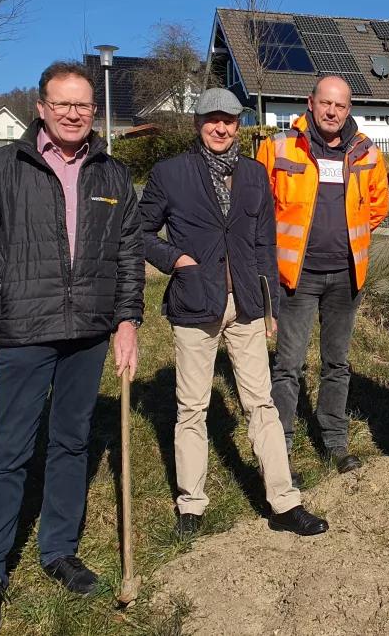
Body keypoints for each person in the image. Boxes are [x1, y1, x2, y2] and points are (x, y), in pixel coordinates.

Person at [0, 61, 144, 636]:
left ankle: (59, 550)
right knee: (11, 448)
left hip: (87, 330)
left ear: (94, 111)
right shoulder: (4, 168)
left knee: (71, 443)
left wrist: (127, 320)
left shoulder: (112, 175)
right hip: (23, 328)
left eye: (82, 105)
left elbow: (129, 254)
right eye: (61, 104)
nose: (72, 114)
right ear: (40, 107)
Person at [139, 87, 328, 539]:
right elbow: (139, 232)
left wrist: (269, 307)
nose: (221, 128)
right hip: (194, 303)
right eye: (212, 119)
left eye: (229, 120)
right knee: (191, 407)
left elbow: (265, 244)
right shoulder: (170, 174)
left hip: (245, 304)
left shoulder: (253, 174)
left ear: (239, 124)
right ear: (198, 123)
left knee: (260, 403)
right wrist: (176, 261)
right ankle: (191, 503)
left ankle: (284, 502)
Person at [255, 75, 389, 483]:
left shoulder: (366, 152)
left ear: (349, 109)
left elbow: (378, 206)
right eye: (326, 103)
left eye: (341, 106)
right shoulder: (278, 147)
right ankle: (281, 449)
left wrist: (349, 238)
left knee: (338, 363)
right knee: (288, 365)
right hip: (296, 276)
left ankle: (334, 441)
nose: (332, 112)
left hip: (346, 277)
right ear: (310, 103)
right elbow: (259, 204)